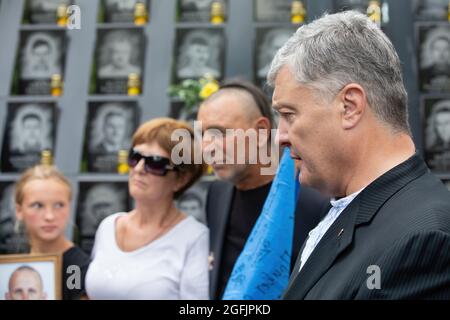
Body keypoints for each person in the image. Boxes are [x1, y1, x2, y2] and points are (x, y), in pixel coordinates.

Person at [267, 10, 450, 299]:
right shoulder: (349, 206)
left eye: (289, 114)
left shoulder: (423, 239)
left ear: (349, 107)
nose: (281, 137)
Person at [197, 80, 328, 299]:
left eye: (219, 133)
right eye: (202, 135)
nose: (208, 147)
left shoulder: (314, 203)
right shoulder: (216, 195)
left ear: (260, 131)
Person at [85, 118, 209, 299]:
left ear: (181, 179)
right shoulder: (108, 225)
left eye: (156, 163)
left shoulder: (194, 238)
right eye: (135, 157)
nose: (139, 169)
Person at [14, 165, 90, 300]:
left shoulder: (76, 269)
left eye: (59, 205)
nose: (49, 216)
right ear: (19, 211)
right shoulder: (15, 265)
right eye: (37, 205)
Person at [420, 27, 450, 92]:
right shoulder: (423, 73)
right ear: (431, 51)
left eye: (446, 49)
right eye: (437, 49)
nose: (441, 53)